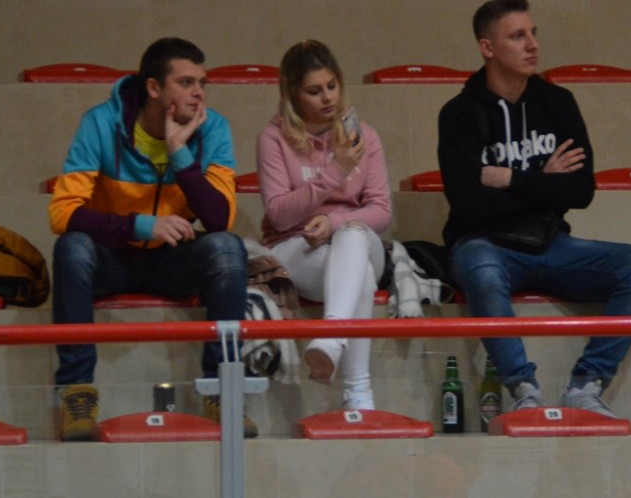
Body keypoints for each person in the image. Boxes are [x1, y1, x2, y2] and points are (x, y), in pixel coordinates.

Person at [437, 0, 631, 418]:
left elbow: (580, 191)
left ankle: (586, 384)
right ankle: (524, 389)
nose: (533, 45)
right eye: (517, 36)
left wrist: (510, 178)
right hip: (483, 243)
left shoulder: (558, 104)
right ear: (487, 48)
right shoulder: (458, 114)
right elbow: (467, 204)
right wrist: (545, 179)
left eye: (534, 33)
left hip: (550, 242)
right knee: (481, 268)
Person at [48, 37, 251, 440]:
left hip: (171, 261)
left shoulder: (214, 128)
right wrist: (141, 226)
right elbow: (63, 213)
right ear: (154, 88)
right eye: (187, 83)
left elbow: (218, 219)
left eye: (203, 83)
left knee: (228, 249)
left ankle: (223, 391)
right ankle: (76, 393)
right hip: (112, 258)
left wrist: (180, 154)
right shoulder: (100, 123)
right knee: (71, 248)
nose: (199, 93)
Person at [257, 39, 392, 411]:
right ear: (293, 95)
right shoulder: (273, 138)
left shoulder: (364, 136)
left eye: (332, 86)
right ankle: (358, 393)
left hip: (359, 239)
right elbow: (280, 214)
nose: (328, 97)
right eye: (314, 91)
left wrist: (334, 221)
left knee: (352, 234)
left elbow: (382, 212)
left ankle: (331, 337)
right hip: (296, 245)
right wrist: (336, 170)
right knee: (361, 276)